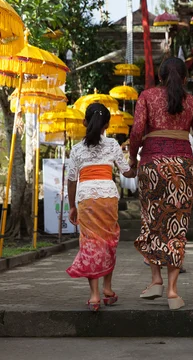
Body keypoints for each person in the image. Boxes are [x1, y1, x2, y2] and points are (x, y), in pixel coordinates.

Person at [129, 57, 193, 310]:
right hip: (182, 168)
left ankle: (155, 281)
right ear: (185, 78)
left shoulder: (147, 96)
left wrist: (132, 159)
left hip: (152, 165)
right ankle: (173, 292)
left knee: (152, 221)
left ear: (160, 76)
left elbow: (137, 131)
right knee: (176, 226)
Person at [66, 103, 136, 312]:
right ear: (107, 124)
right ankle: (107, 289)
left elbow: (71, 180)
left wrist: (72, 207)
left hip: (86, 197)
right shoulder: (113, 144)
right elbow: (127, 173)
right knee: (108, 241)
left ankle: (94, 295)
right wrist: (135, 161)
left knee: (90, 243)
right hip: (108, 197)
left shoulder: (77, 149)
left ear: (84, 122)